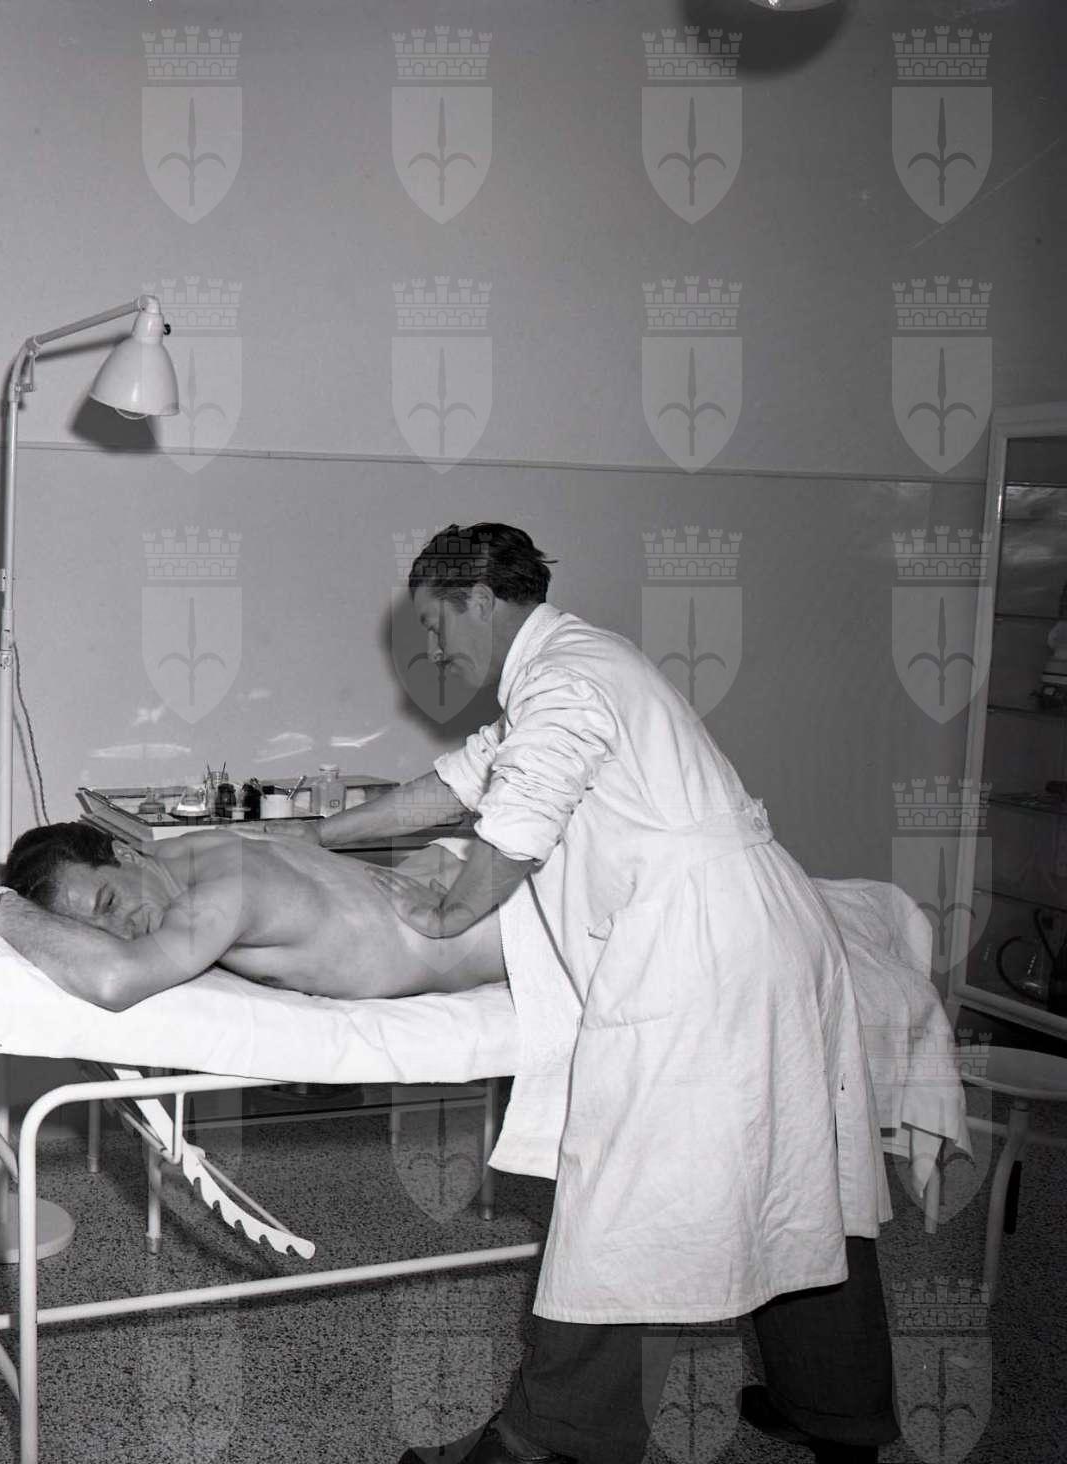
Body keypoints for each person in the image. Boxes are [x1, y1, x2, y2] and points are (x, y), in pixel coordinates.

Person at [349, 523, 888, 1464]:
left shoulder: (565, 676)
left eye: (435, 625)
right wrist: (313, 835)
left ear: (481, 598)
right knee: (800, 1171)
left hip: (701, 954)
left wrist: (449, 911)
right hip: (762, 930)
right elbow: (455, 785)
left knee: (617, 1199)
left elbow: (523, 806)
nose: (430, 649)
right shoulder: (575, 666)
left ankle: (553, 1444)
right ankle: (837, 1410)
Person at [0, 820, 506, 1008]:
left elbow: (115, 980)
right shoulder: (174, 856)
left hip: (508, 935)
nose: (123, 929)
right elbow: (80, 882)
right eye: (98, 925)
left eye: (111, 904)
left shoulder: (224, 894)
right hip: (451, 880)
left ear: (124, 856)